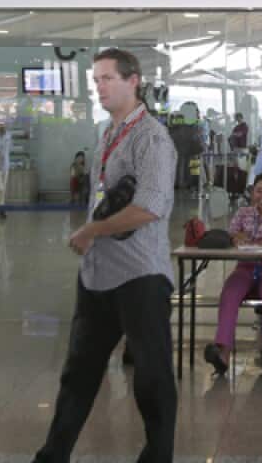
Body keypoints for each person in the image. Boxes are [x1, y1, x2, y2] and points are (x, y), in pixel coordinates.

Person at [33, 48, 178, 463]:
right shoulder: (108, 132)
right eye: (95, 80)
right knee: (78, 372)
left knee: (151, 377)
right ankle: (52, 454)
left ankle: (158, 454)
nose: (99, 87)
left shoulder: (151, 138)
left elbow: (150, 206)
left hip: (140, 276)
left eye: (107, 78)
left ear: (133, 81)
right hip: (98, 275)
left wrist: (92, 230)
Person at [205, 172, 262, 376]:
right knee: (229, 294)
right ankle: (223, 352)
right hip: (245, 267)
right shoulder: (244, 213)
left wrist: (252, 239)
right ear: (252, 192)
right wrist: (241, 238)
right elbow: (233, 236)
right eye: (258, 191)